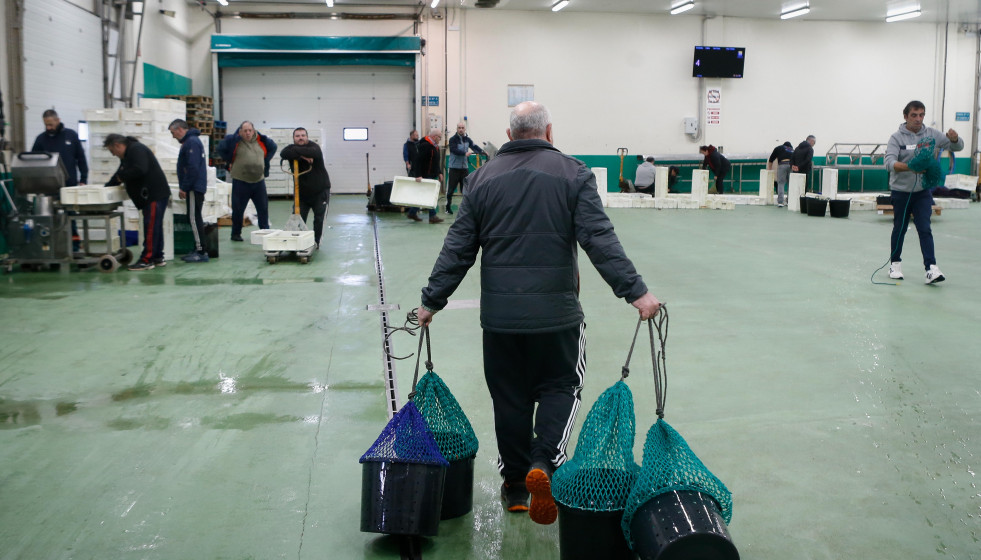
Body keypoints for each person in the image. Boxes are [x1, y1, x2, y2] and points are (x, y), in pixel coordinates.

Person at [414, 101, 662, 525]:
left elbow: (458, 248)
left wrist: (431, 301)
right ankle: (543, 464)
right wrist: (636, 293)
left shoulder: (479, 179)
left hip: (500, 320)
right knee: (560, 387)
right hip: (557, 315)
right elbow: (599, 240)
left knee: (508, 399)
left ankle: (514, 487)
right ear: (549, 131)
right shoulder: (574, 173)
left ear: (509, 136)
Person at [884, 100, 963, 284]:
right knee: (900, 228)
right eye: (914, 115)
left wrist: (954, 139)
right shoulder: (896, 138)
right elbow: (889, 163)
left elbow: (957, 147)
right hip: (901, 192)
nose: (918, 119)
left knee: (925, 228)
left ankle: (931, 269)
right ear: (905, 116)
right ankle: (895, 264)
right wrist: (911, 168)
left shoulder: (932, 135)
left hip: (922, 192)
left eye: (921, 115)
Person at [103, 134, 170, 271]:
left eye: (113, 151)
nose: (113, 155)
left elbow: (140, 169)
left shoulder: (136, 150)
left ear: (118, 145)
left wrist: (122, 177)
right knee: (154, 226)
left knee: (150, 227)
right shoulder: (128, 154)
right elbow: (120, 173)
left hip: (153, 194)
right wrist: (107, 188)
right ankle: (157, 257)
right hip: (152, 195)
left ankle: (147, 260)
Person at [217, 121, 277, 242]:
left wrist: (265, 161)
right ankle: (236, 234)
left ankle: (264, 231)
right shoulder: (234, 141)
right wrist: (228, 161)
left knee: (263, 209)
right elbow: (220, 148)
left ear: (254, 130)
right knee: (238, 210)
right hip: (241, 181)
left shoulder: (262, 140)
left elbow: (273, 147)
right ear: (240, 132)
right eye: (245, 131)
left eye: (250, 130)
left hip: (258, 181)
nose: (248, 133)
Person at [280, 127, 331, 247]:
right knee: (297, 218)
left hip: (320, 191)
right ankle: (299, 242)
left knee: (319, 220)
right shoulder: (290, 148)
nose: (300, 138)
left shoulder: (315, 147)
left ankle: (316, 242)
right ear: (293, 138)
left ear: (307, 137)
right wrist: (302, 157)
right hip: (302, 194)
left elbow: (313, 153)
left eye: (303, 135)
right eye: (297, 136)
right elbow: (283, 153)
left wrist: (296, 153)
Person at [168, 119, 209, 263]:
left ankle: (201, 251)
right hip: (195, 186)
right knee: (194, 217)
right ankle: (197, 247)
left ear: (180, 129)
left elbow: (192, 168)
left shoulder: (191, 142)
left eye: (173, 133)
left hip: (194, 187)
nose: (173, 136)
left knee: (193, 217)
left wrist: (185, 187)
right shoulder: (192, 141)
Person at [32, 109, 87, 186]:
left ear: (58, 120)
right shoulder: (40, 139)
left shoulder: (71, 135)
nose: (48, 128)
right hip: (48, 185)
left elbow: (81, 159)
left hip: (69, 184)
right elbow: (33, 161)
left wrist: (83, 179)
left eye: (51, 125)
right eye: (46, 125)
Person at [446, 121, 487, 214]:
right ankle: (448, 207)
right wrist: (464, 153)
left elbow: (474, 146)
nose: (461, 129)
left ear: (464, 129)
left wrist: (482, 152)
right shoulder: (453, 139)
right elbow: (453, 150)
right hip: (454, 168)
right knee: (451, 190)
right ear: (457, 129)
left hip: (464, 168)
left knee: (466, 189)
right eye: (459, 128)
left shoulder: (467, 140)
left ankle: (466, 208)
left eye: (462, 128)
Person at [408, 130, 445, 224]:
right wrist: (418, 175)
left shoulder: (435, 147)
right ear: (434, 136)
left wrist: (439, 172)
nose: (440, 139)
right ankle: (432, 216)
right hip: (425, 175)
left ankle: (412, 212)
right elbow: (417, 161)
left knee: (423, 195)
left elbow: (436, 162)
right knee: (430, 195)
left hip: (431, 175)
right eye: (439, 137)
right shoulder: (425, 146)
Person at [767, 141, 793, 207]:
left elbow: (771, 159)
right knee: (790, 184)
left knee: (781, 183)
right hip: (791, 165)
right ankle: (789, 201)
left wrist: (769, 169)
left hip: (782, 164)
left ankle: (780, 202)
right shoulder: (792, 149)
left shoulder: (778, 148)